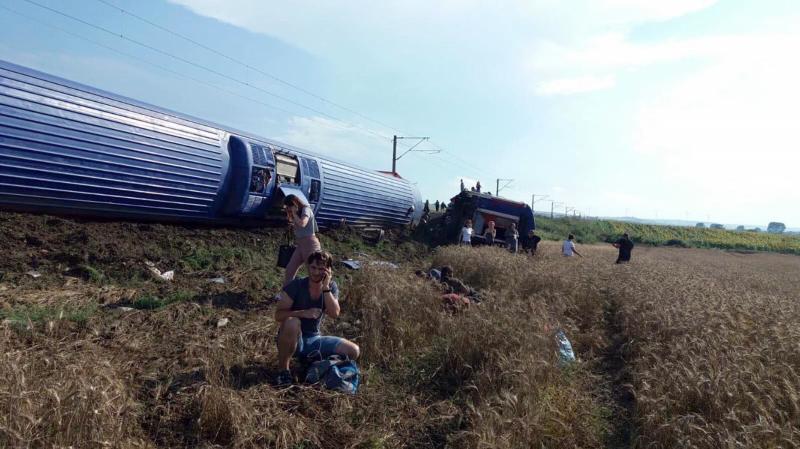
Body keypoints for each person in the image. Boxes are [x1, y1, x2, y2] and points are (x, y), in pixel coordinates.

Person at [274, 251, 360, 386]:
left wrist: (325, 288)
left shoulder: (331, 287)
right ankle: (283, 371)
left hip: (315, 339)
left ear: (328, 270)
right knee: (292, 322)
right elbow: (278, 315)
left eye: (321, 269)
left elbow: (334, 313)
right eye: (313, 268)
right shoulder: (296, 285)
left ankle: (316, 366)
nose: (315, 272)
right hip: (294, 337)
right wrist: (303, 313)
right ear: (308, 267)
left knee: (353, 351)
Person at [283, 194, 321, 286]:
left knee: (314, 271)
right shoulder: (298, 213)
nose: (288, 208)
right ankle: (286, 293)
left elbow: (303, 223)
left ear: (294, 204)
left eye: (289, 206)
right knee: (290, 269)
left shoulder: (306, 210)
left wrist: (294, 214)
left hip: (310, 244)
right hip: (300, 245)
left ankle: (320, 294)